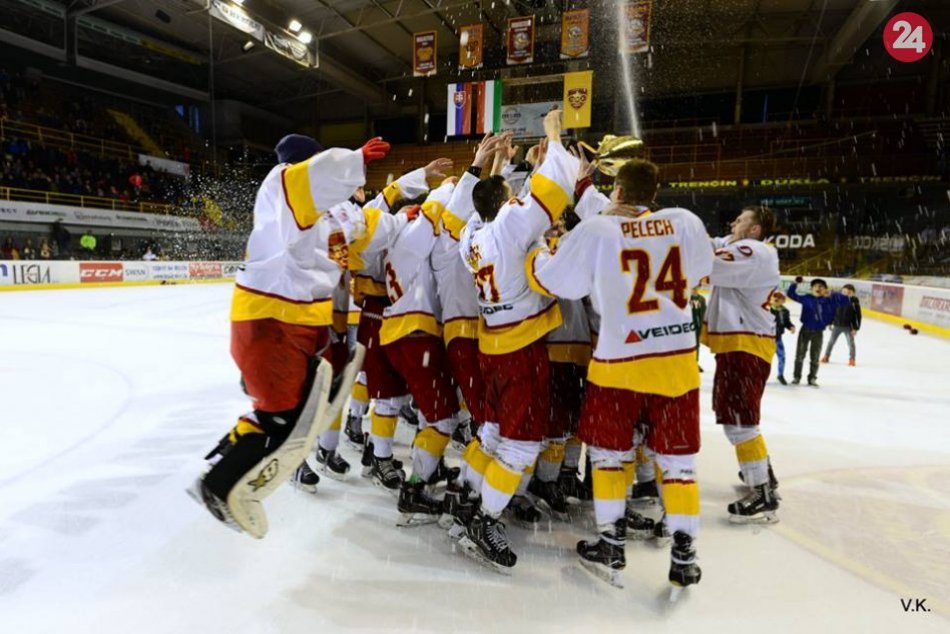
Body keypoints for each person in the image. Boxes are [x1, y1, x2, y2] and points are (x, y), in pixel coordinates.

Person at [528, 156, 713, 591]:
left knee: (611, 457)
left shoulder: (598, 230)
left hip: (618, 361)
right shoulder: (683, 221)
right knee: (679, 463)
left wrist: (539, 252)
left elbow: (559, 283)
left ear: (618, 192)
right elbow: (702, 273)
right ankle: (684, 553)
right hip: (676, 362)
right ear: (654, 192)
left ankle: (611, 544)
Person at [193, 132, 390, 532]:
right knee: (284, 421)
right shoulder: (283, 185)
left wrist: (404, 194)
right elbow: (312, 176)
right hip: (274, 322)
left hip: (293, 324)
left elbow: (364, 223)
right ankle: (222, 486)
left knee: (282, 413)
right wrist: (353, 160)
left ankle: (224, 466)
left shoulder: (323, 213)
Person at [454, 109, 578, 571]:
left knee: (489, 434)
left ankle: (466, 498)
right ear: (506, 202)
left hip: (491, 346)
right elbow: (551, 189)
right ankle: (484, 518)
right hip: (521, 349)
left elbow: (491, 203)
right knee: (522, 444)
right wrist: (553, 138)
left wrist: (499, 169)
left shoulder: (472, 235)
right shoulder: (506, 224)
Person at [705, 207, 781, 523]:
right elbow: (711, 245)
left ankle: (762, 491)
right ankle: (764, 475)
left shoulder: (753, 250)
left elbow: (708, 265)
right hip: (742, 344)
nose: (733, 222)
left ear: (755, 230)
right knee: (737, 416)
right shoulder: (742, 247)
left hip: (745, 345)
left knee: (739, 421)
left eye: (742, 220)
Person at [786, 276, 850, 386]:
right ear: (811, 289)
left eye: (821, 286)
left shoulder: (830, 301)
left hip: (818, 332)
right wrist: (795, 283)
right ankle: (797, 377)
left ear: (825, 289)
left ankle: (812, 378)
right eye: (815, 286)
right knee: (800, 355)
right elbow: (791, 294)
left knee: (815, 357)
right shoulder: (806, 298)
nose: (817, 288)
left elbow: (846, 300)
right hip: (805, 330)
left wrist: (832, 294)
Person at [822, 284, 861, 366]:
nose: (846, 293)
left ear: (852, 293)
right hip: (837, 325)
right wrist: (830, 322)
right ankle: (826, 356)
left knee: (851, 343)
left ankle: (852, 359)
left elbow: (858, 316)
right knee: (831, 342)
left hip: (848, 327)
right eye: (844, 291)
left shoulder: (854, 302)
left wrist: (855, 328)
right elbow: (832, 311)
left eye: (849, 292)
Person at [770, 292, 795, 384]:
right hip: (766, 338)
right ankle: (763, 374)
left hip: (778, 338)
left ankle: (780, 375)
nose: (776, 299)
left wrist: (791, 326)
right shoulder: (766, 309)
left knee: (782, 357)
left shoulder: (785, 311)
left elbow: (787, 322)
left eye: (779, 298)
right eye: (774, 297)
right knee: (766, 358)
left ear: (783, 301)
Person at [690, 285, 706, 371]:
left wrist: (703, 325)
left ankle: (695, 362)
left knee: (696, 344)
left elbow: (703, 313)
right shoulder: (686, 297)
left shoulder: (701, 299)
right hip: (688, 326)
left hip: (697, 325)